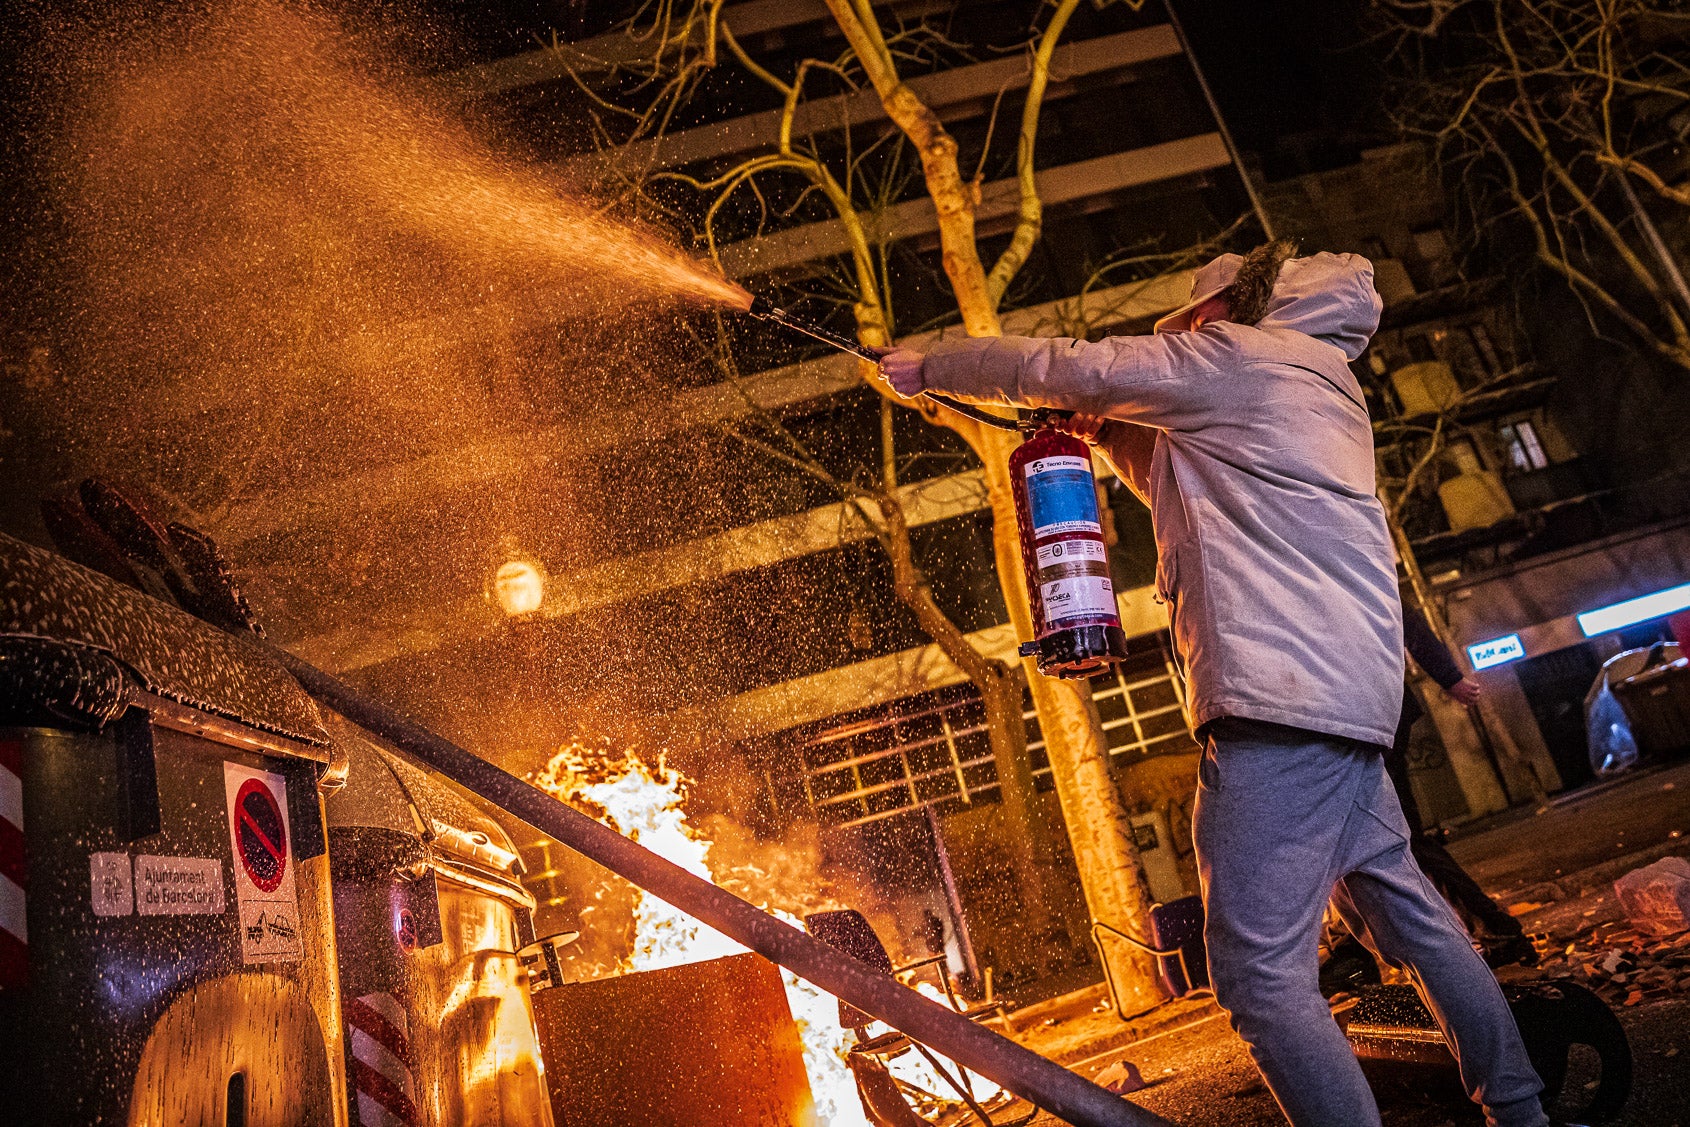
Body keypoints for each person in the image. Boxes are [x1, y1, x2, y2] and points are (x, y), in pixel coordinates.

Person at [877, 244, 1549, 1127]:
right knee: (1413, 922)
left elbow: (1066, 365)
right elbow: (1191, 478)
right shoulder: (1321, 385)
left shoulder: (1234, 355)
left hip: (1276, 706)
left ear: (1228, 307)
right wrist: (1107, 428)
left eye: (1191, 320)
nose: (1184, 335)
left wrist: (934, 364)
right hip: (1347, 703)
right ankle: (1523, 1109)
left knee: (1260, 980)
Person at [1395, 602, 1537, 967]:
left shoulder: (1330, 568)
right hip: (1369, 716)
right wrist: (1449, 679)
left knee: (1398, 838)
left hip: (1365, 720)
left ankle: (1491, 929)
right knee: (1394, 839)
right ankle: (1489, 929)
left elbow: (1405, 616)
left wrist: (1450, 678)